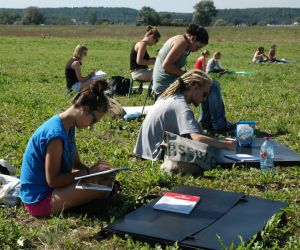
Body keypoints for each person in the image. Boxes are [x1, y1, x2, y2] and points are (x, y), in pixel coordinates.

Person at [20, 80, 123, 217]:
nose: (91, 126)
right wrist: (89, 172)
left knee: (104, 183)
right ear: (85, 109)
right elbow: (53, 180)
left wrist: (96, 175)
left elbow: (76, 165)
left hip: (51, 191)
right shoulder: (55, 135)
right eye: (93, 121)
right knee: (102, 190)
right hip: (39, 201)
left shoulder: (68, 127)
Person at [134, 69, 235, 167]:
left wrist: (219, 140)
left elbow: (196, 133)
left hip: (145, 151)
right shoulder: (181, 107)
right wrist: (226, 145)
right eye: (204, 94)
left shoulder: (171, 97)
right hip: (156, 154)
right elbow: (198, 139)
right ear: (195, 87)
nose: (204, 99)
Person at [152, 23, 209, 98]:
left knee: (206, 83)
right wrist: (186, 74)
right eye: (198, 47)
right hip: (164, 87)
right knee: (208, 85)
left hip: (164, 83)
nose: (197, 50)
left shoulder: (180, 38)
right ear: (193, 38)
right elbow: (166, 65)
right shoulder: (182, 43)